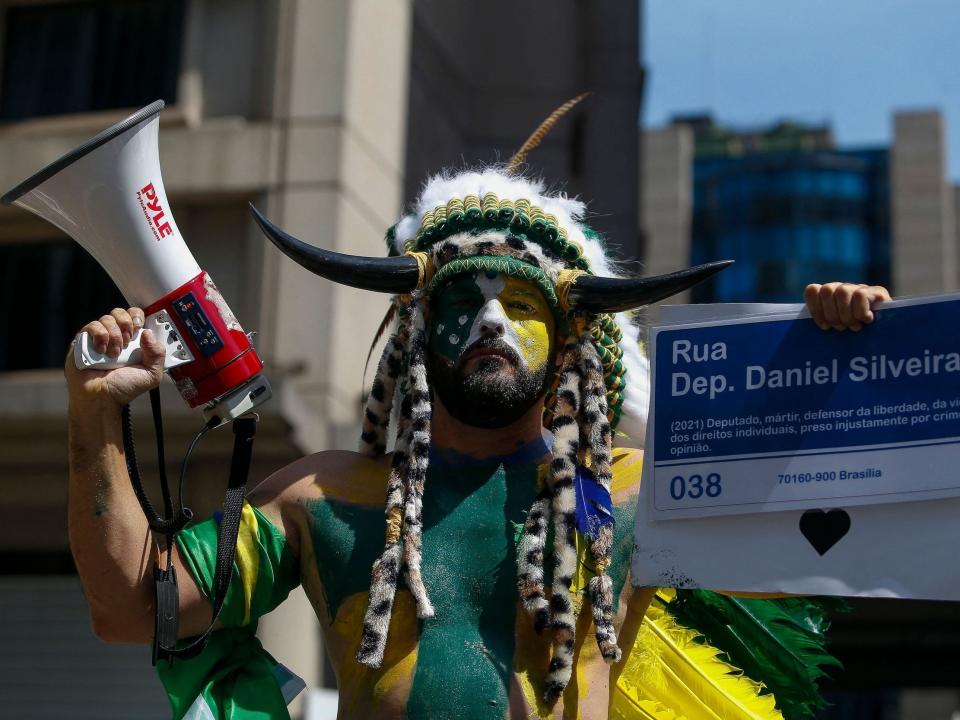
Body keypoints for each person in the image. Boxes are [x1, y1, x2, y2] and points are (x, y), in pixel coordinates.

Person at [65, 147, 892, 717]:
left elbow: (829, 544)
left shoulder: (639, 491)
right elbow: (135, 608)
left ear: (568, 338)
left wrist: (842, 356)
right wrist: (97, 412)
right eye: (461, 303)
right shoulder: (324, 499)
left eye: (522, 305)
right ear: (421, 334)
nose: (490, 321)